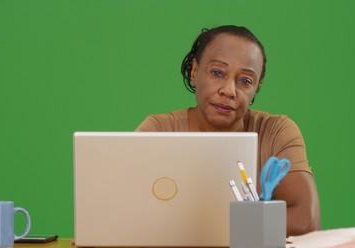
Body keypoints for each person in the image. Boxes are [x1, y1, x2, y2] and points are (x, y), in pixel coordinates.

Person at [136, 25, 320, 236]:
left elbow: (306, 220)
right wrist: (250, 225)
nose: (229, 91)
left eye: (245, 81)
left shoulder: (276, 131)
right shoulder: (159, 131)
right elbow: (126, 211)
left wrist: (198, 230)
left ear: (256, 88)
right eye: (217, 73)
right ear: (195, 72)